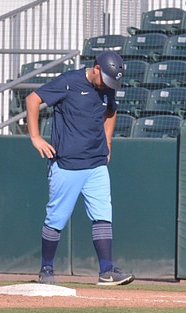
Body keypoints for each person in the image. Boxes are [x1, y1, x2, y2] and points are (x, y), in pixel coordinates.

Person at [25, 50, 134, 287]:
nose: (108, 84)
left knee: (103, 215)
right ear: (96, 68)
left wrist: (108, 140)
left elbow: (111, 111)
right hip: (66, 164)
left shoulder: (108, 88)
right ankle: (46, 268)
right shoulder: (69, 82)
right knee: (57, 217)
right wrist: (35, 137)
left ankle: (106, 270)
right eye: (105, 78)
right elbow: (32, 99)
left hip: (96, 164)